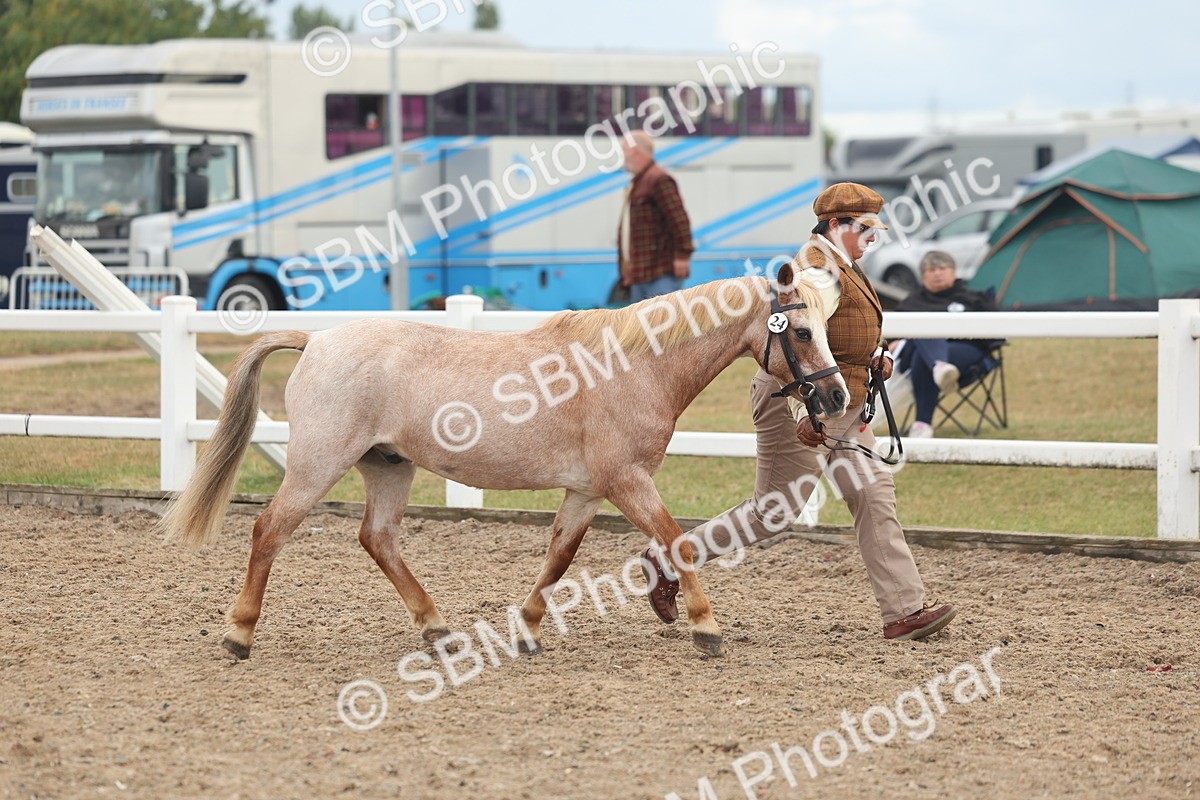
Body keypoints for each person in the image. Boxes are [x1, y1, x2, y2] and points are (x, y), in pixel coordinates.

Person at [640, 182, 957, 642]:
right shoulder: (816, 274)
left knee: (873, 495)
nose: (873, 238)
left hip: (842, 403)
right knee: (775, 511)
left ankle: (904, 613)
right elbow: (796, 340)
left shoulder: (844, 265)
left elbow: (843, 330)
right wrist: (802, 411)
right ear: (835, 226)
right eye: (864, 228)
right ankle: (670, 559)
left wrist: (875, 355)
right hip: (800, 402)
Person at [889, 250, 1000, 438]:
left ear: (953, 272)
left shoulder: (973, 299)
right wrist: (894, 342)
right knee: (924, 329)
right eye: (931, 270)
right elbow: (890, 337)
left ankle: (922, 424)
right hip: (911, 356)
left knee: (922, 354)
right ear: (923, 276)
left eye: (942, 268)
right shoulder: (911, 303)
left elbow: (995, 333)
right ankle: (939, 367)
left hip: (964, 353)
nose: (937, 273)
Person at [617, 130, 694, 302]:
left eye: (625, 153)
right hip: (641, 273)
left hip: (660, 273)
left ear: (635, 152)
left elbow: (679, 220)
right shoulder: (639, 182)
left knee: (662, 318)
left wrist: (682, 256)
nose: (624, 159)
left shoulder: (658, 179)